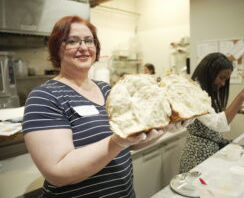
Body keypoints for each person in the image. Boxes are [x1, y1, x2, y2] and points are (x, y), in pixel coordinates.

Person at [22, 16, 188, 198]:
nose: (83, 47)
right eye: (72, 41)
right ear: (56, 48)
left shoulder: (107, 90)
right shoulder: (45, 97)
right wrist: (117, 141)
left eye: (89, 40)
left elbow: (131, 144)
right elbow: (58, 173)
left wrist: (166, 126)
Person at [179, 52, 244, 173]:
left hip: (210, 151)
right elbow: (218, 124)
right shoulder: (193, 92)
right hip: (197, 155)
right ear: (209, 72)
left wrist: (234, 110)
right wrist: (242, 95)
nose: (222, 83)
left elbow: (212, 116)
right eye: (221, 78)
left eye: (225, 80)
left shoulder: (208, 89)